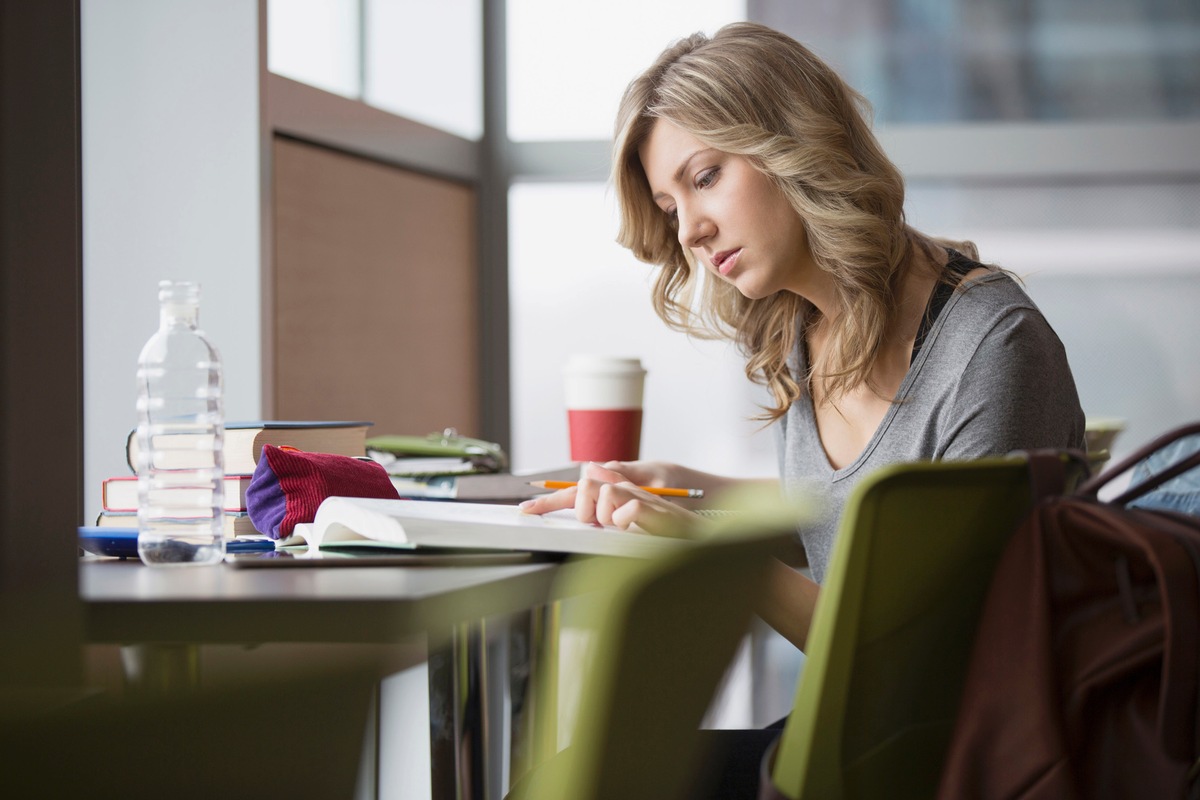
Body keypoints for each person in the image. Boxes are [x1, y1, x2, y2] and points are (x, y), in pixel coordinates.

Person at [521, 20, 1084, 651]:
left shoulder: (991, 348)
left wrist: (710, 550)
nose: (688, 233)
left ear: (793, 142)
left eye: (705, 177)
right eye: (671, 207)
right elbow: (846, 514)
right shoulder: (798, 328)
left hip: (947, 747)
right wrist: (683, 487)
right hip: (859, 738)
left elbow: (922, 666)